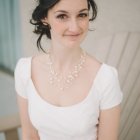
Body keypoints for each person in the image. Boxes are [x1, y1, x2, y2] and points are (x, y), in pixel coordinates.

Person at [14, 0, 123, 140]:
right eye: (62, 16)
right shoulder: (25, 70)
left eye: (82, 15)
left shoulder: (105, 77)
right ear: (44, 18)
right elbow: (29, 135)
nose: (74, 27)